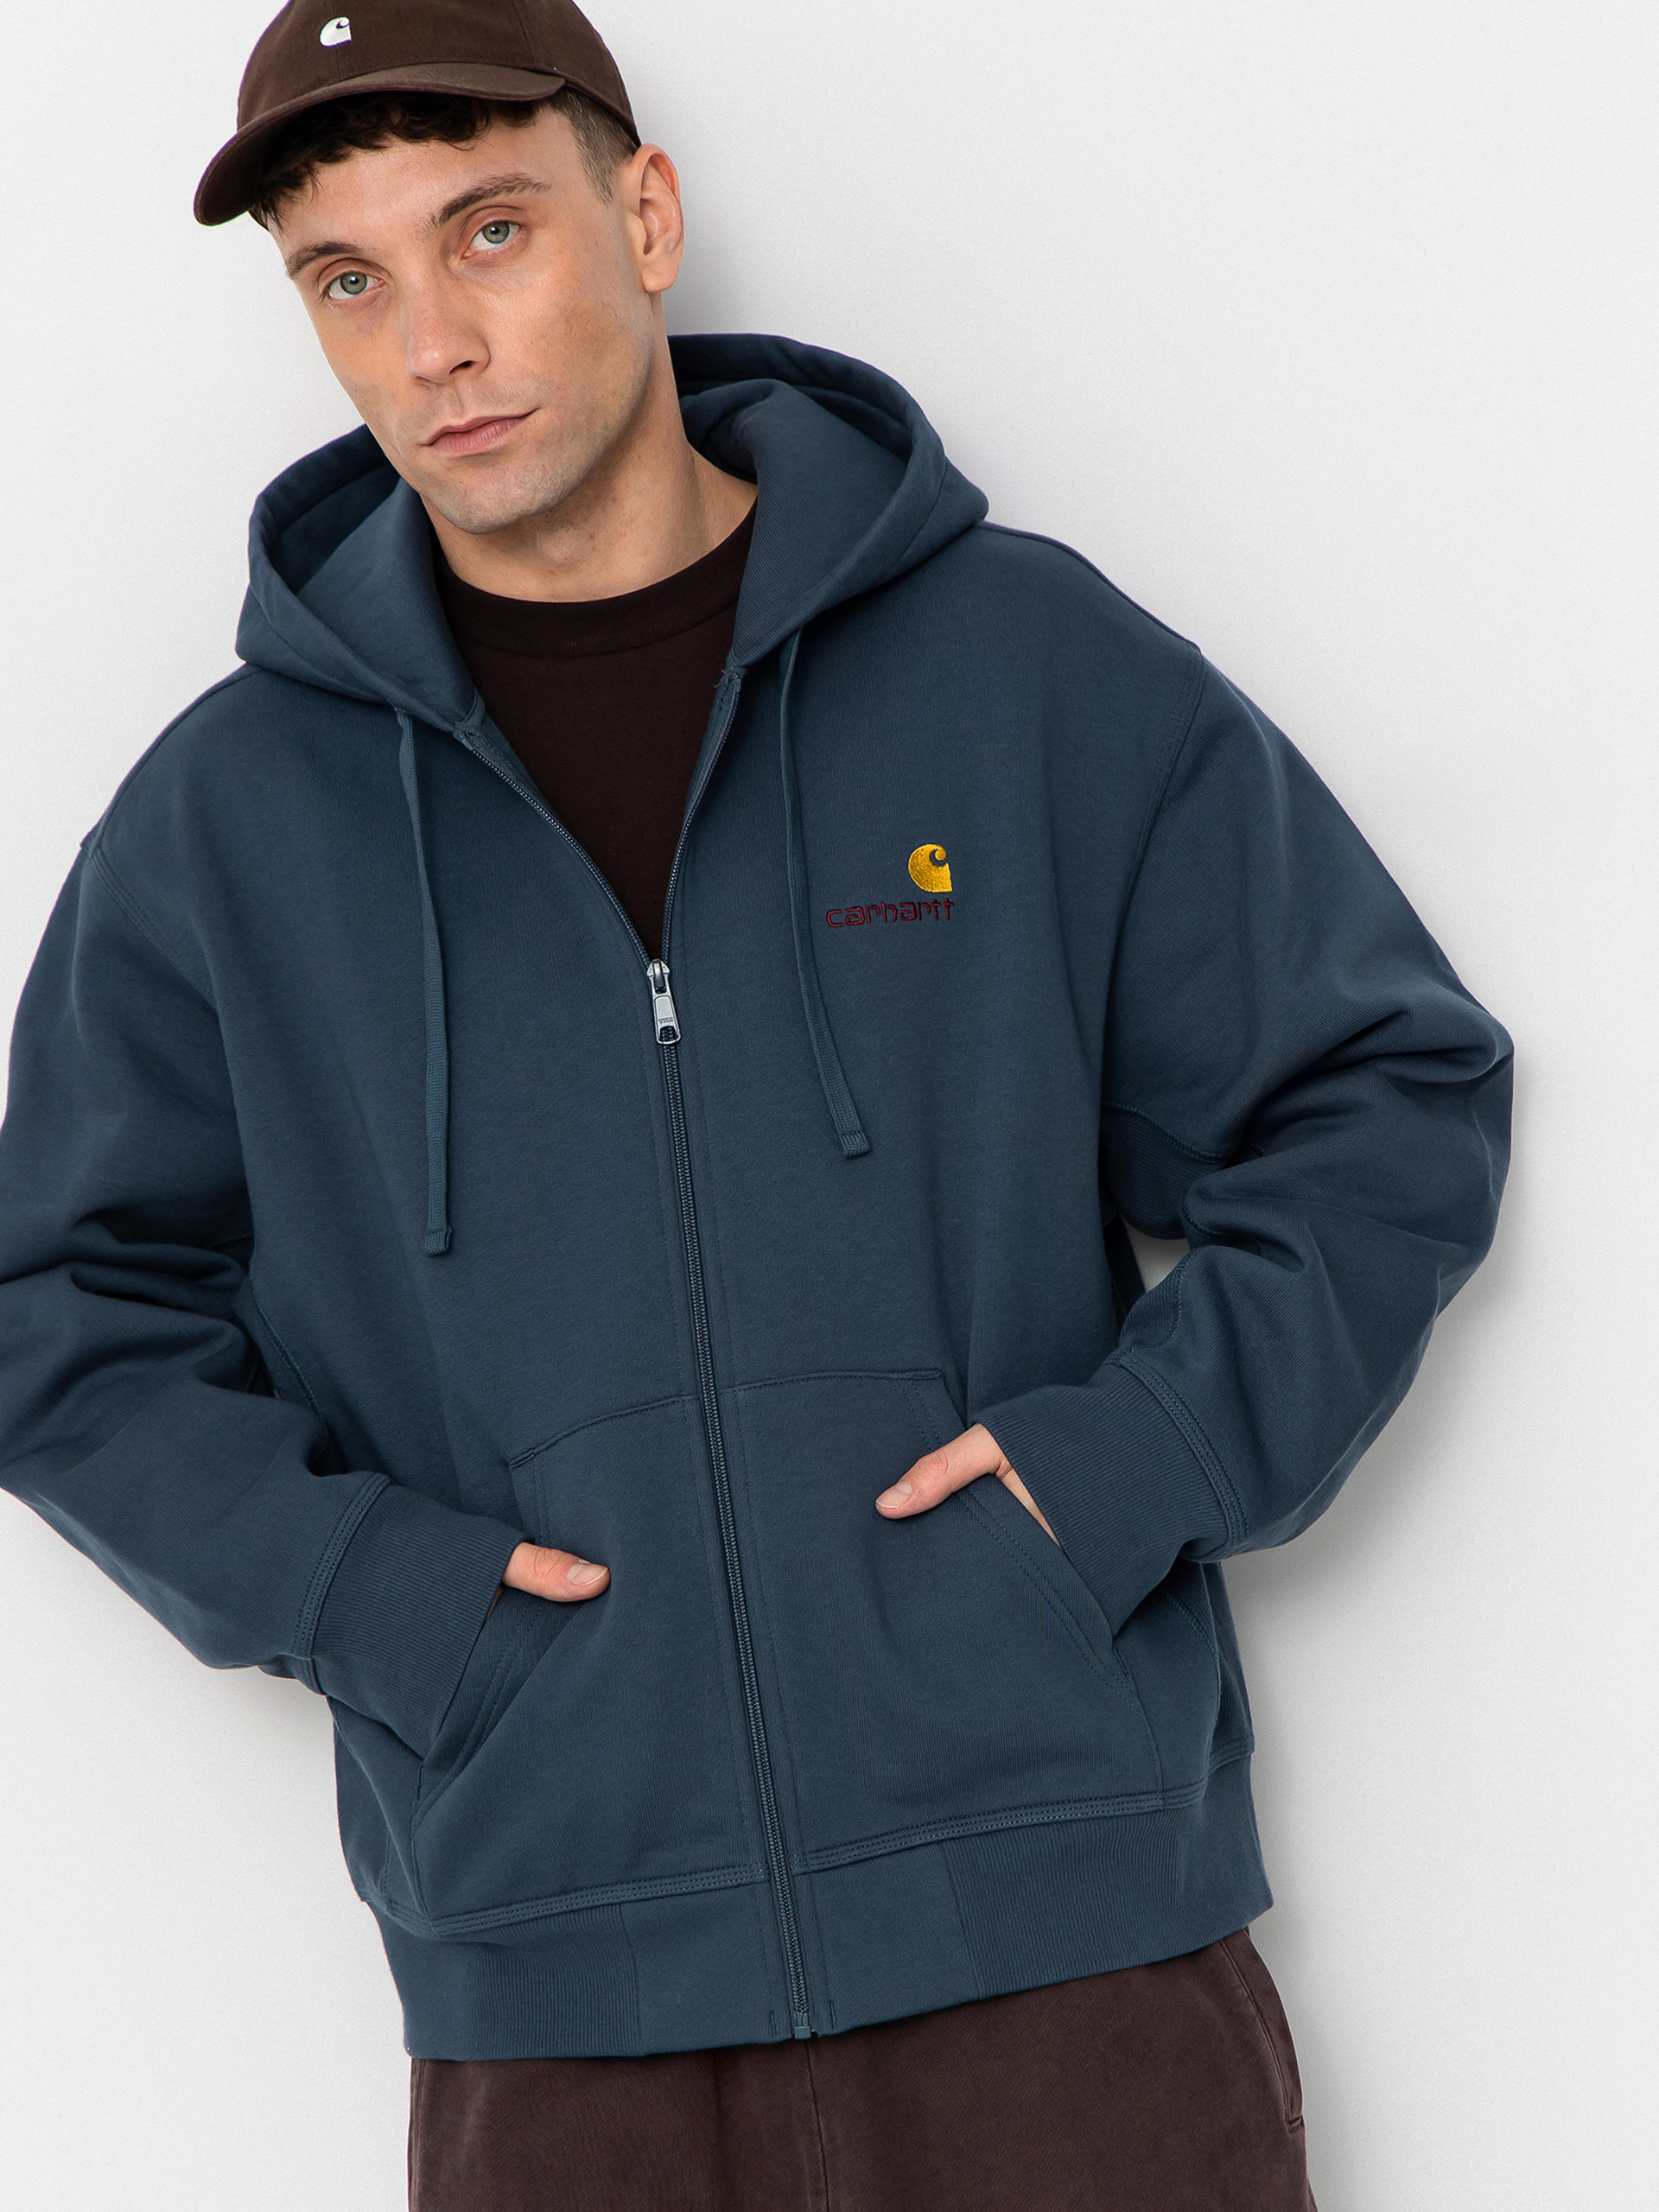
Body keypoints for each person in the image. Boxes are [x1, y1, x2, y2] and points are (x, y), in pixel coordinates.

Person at [0, 1, 1512, 2205]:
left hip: (1070, 1966)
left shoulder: (1023, 674)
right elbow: (58, 1310)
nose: (432, 341)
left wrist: (1134, 1465)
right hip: (562, 2012)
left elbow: (1382, 1088)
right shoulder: (230, 830)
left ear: (645, 214)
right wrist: (377, 1595)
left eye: (489, 230)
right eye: (347, 277)